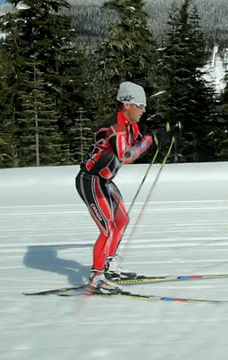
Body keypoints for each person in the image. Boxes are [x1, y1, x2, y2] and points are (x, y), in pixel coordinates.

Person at [75, 81, 154, 294]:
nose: (144, 110)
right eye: (141, 105)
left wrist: (156, 135)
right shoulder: (116, 127)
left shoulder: (129, 125)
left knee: (122, 220)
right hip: (90, 180)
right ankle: (97, 277)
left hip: (104, 181)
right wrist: (149, 140)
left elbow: (139, 140)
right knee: (107, 229)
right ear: (127, 104)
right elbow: (126, 155)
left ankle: (110, 266)